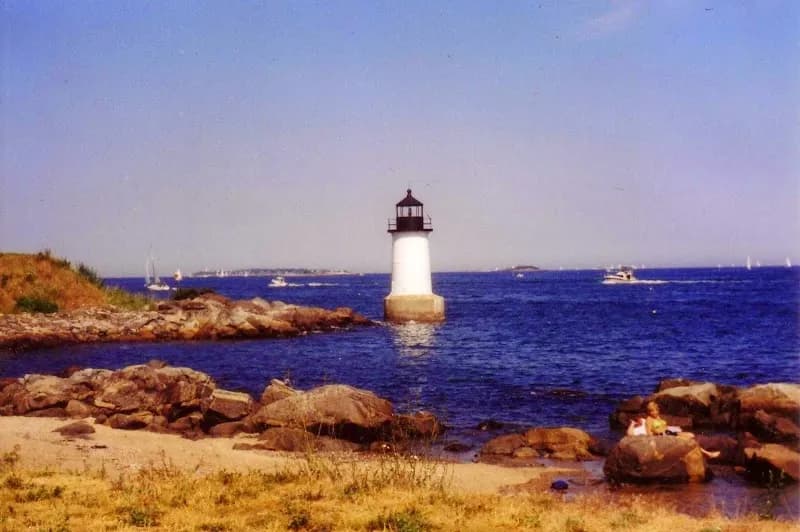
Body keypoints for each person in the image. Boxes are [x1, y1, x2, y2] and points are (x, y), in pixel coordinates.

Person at [643, 401, 720, 458]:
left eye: (656, 410)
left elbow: (664, 427)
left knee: (691, 435)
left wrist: (674, 428)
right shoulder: (649, 420)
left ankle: (696, 451)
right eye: (652, 411)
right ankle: (707, 454)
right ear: (649, 412)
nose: (655, 412)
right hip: (663, 437)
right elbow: (649, 435)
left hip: (669, 432)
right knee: (688, 440)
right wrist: (655, 451)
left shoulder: (657, 417)